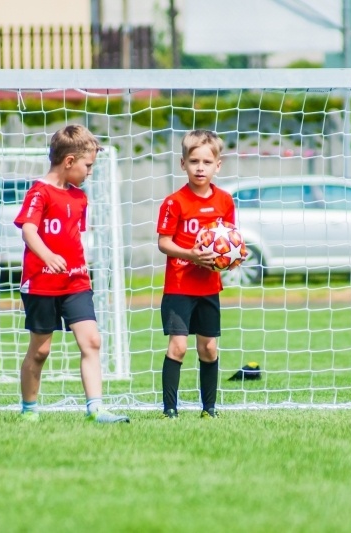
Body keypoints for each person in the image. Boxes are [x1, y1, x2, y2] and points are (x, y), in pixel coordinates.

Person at [13, 124, 129, 424]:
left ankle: (96, 408)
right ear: (69, 162)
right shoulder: (39, 192)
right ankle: (29, 410)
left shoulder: (80, 197)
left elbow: (74, 237)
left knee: (91, 341)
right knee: (40, 351)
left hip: (76, 282)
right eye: (87, 165)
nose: (90, 171)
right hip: (41, 284)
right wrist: (48, 255)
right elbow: (28, 230)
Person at [156, 130, 236, 419]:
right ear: (183, 164)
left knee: (209, 349)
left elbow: (229, 240)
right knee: (178, 347)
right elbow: (163, 242)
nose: (200, 167)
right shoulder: (174, 202)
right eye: (193, 161)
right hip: (179, 286)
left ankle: (209, 408)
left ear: (218, 165)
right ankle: (170, 409)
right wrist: (191, 255)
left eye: (206, 161)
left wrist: (232, 258)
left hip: (209, 287)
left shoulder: (225, 201)